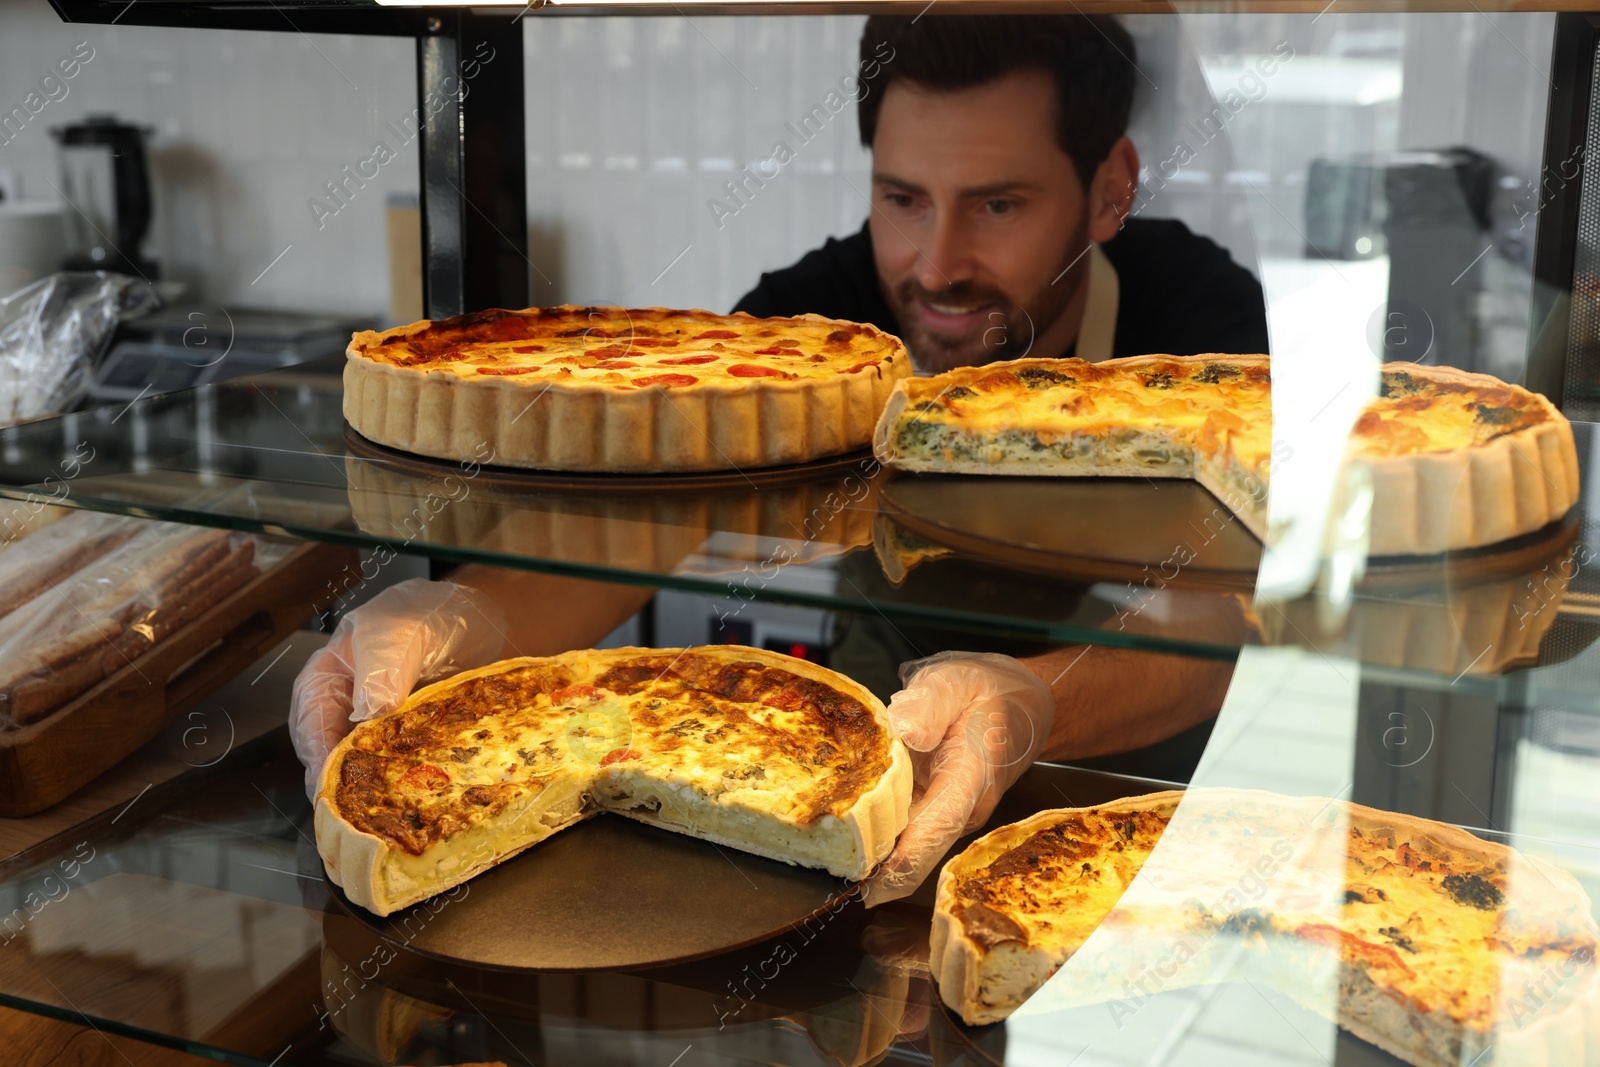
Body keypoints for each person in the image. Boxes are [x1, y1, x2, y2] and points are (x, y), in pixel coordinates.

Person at [290, 13, 1265, 908]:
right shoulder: (812, 329)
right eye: (902, 197)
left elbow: (1220, 620)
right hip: (887, 748)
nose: (934, 264)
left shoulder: (1202, 324)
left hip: (1135, 798)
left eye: (997, 205)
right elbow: (644, 521)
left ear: (1109, 190)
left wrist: (1034, 704)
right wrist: (469, 611)